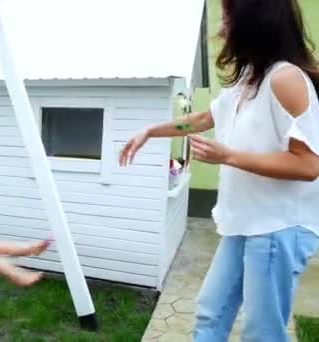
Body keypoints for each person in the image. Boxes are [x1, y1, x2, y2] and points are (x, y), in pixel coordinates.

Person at [120, 0, 319, 340]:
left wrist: (228, 156)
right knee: (210, 315)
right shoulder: (247, 79)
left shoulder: (285, 79)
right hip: (244, 222)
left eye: (228, 17)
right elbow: (202, 119)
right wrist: (150, 131)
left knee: (262, 333)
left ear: (252, 22)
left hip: (277, 227)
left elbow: (308, 164)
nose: (221, 27)